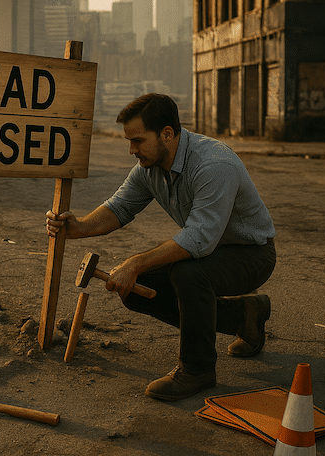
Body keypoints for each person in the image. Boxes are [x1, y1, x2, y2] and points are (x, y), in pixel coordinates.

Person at [46, 93, 276, 401]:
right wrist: (79, 228)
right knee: (136, 287)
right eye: (130, 142)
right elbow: (119, 208)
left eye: (138, 141)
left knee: (189, 274)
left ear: (166, 133)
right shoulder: (149, 167)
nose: (132, 150)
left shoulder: (214, 164)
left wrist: (134, 263)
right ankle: (244, 315)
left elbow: (198, 239)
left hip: (251, 253)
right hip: (212, 252)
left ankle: (198, 370)